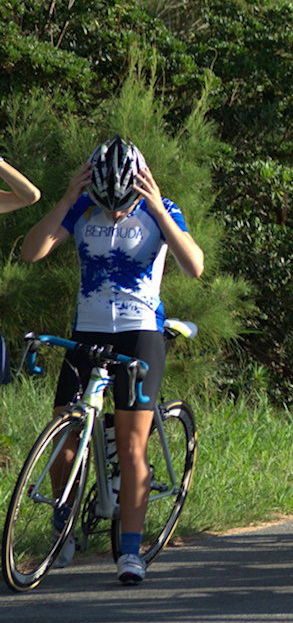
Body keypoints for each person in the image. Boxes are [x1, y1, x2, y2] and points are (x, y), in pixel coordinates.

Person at [19, 137, 205, 584]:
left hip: (140, 333)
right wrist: (66, 198)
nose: (117, 211)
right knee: (65, 438)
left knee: (131, 446)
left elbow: (194, 265)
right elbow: (31, 252)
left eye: (126, 202)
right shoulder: (82, 207)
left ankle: (129, 551)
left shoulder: (160, 209)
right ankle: (63, 530)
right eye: (109, 203)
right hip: (89, 331)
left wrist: (158, 210)